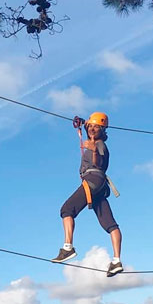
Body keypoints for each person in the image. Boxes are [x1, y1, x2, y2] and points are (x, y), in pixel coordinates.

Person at [51, 112, 124, 276]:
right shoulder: (94, 137)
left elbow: (98, 163)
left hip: (93, 179)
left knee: (67, 210)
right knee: (110, 224)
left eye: (95, 127)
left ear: (103, 129)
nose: (91, 129)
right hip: (99, 186)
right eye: (90, 126)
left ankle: (67, 248)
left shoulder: (100, 146)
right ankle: (116, 261)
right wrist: (84, 123)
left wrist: (93, 151)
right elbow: (89, 128)